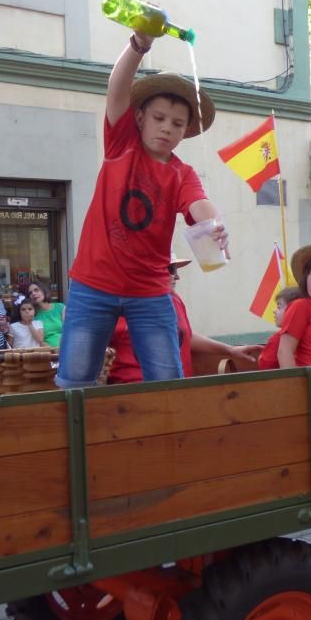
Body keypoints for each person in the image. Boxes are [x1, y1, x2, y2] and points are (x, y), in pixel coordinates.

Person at [56, 28, 227, 389]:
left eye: (177, 123)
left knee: (168, 382)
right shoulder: (121, 144)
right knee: (74, 381)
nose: (167, 128)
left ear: (186, 131)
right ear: (139, 118)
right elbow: (116, 89)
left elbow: (199, 204)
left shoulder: (182, 174)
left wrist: (214, 224)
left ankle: (168, 443)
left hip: (149, 291)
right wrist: (140, 45)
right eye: (159, 118)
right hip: (92, 285)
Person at [108, 253, 261, 384]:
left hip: (177, 390)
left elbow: (187, 336)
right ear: (149, 272)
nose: (177, 276)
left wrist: (230, 350)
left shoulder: (174, 300)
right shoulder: (119, 304)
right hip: (134, 394)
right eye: (171, 269)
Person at [259, 286, 306, 370]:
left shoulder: (278, 338)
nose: (274, 311)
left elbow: (266, 364)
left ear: (292, 310)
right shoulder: (309, 334)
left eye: (279, 307)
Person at [26, 281, 64, 347]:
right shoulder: (33, 315)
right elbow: (39, 341)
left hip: (66, 347)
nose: (33, 293)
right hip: (48, 352)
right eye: (30, 293)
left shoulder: (60, 307)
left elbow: (69, 332)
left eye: (36, 290)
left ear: (43, 290)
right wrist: (52, 351)